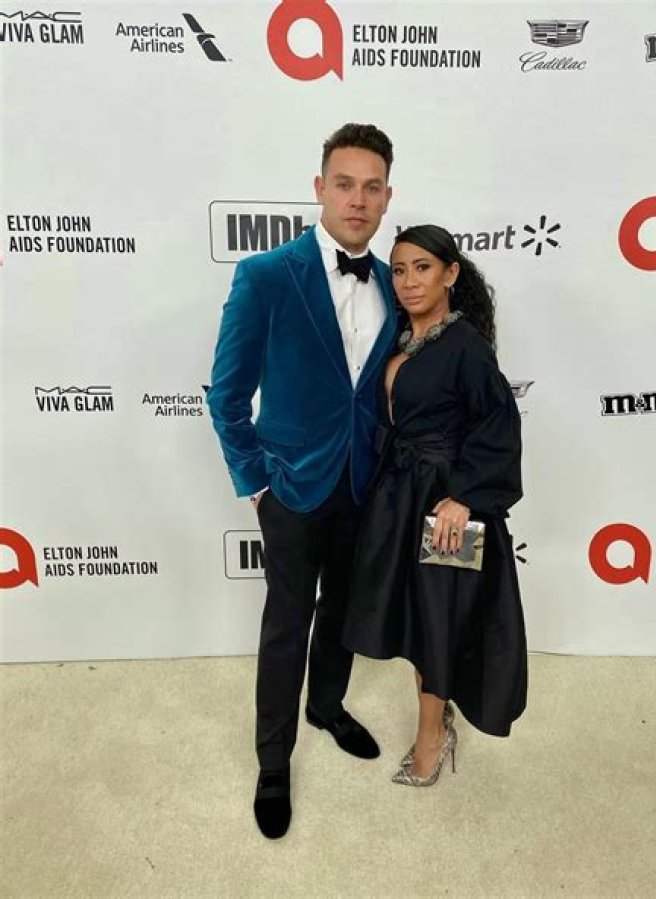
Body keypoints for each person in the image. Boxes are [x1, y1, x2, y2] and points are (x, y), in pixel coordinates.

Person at [206, 124, 397, 838]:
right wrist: (256, 483)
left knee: (344, 607)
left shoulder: (394, 281)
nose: (357, 200)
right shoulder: (265, 275)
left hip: (363, 484)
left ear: (387, 197)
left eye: (371, 187)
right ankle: (273, 762)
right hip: (289, 487)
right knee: (287, 623)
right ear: (319, 188)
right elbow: (227, 395)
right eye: (344, 184)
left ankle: (327, 705)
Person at [343, 224, 527, 787]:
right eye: (399, 270)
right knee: (413, 616)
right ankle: (435, 720)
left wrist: (464, 499)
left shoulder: (466, 347)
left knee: (438, 621)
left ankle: (431, 737)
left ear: (451, 274)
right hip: (399, 497)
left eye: (422, 268)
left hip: (447, 508)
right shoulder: (399, 338)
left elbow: (499, 426)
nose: (408, 281)